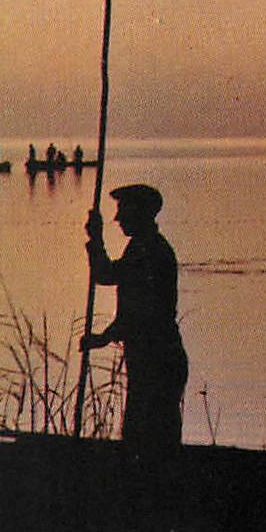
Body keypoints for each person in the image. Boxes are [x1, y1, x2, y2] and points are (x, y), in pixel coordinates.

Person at [81, 184, 188, 458]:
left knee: (148, 438)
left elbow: (112, 281)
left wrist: (96, 239)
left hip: (157, 357)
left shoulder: (149, 251)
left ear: (140, 213)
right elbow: (129, 304)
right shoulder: (142, 247)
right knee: (146, 437)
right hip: (152, 356)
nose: (117, 218)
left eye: (123, 210)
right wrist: (103, 337)